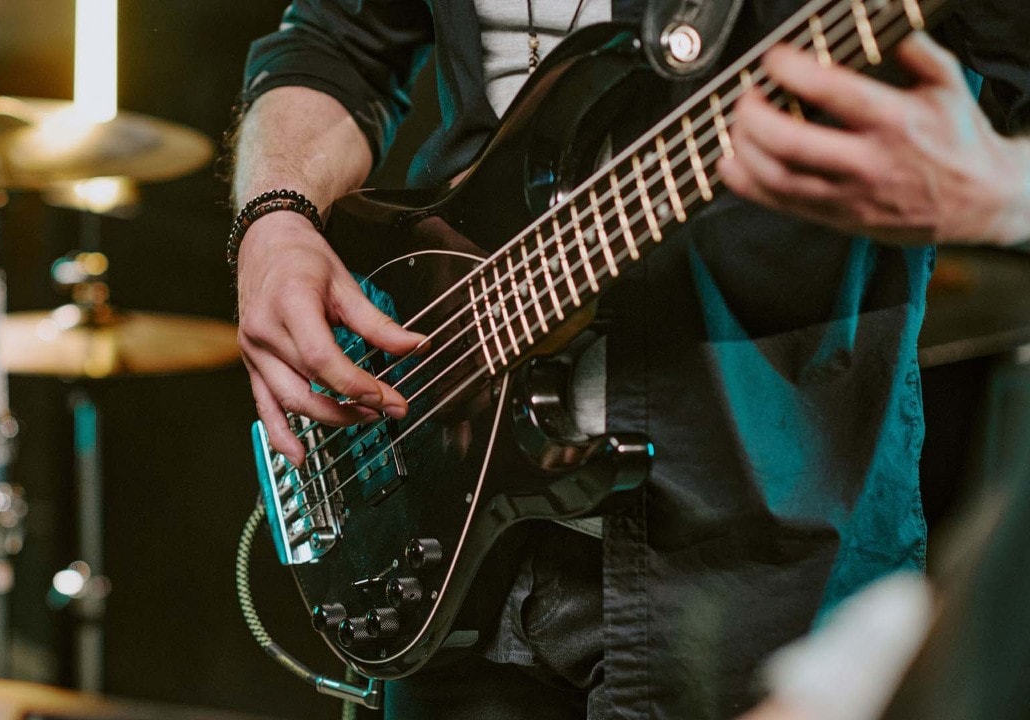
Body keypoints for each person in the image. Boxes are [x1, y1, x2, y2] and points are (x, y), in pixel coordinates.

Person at [230, 1, 1030, 718]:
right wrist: (274, 218)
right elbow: (336, 40)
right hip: (453, 523)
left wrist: (1000, 190)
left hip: (759, 549)